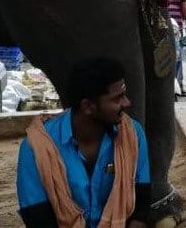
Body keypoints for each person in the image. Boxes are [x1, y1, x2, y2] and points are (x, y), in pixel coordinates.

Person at [16, 57, 150, 228]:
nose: (127, 103)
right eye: (118, 98)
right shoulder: (36, 148)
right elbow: (37, 219)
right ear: (88, 106)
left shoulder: (132, 134)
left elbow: (142, 204)